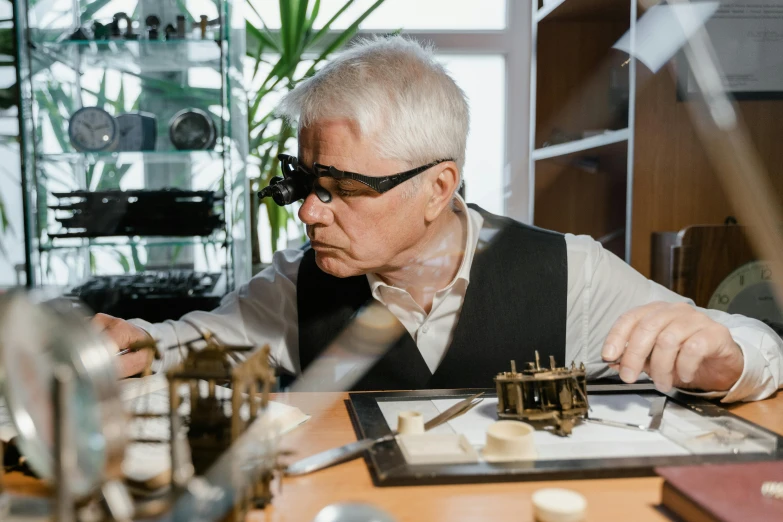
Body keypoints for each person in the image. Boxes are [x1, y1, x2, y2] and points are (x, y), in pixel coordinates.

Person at [95, 36, 782, 402]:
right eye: (308, 183)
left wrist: (721, 358)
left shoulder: (568, 271)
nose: (308, 210)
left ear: (437, 187)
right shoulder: (290, 288)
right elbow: (184, 343)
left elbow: (755, 345)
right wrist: (130, 342)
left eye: (339, 188)